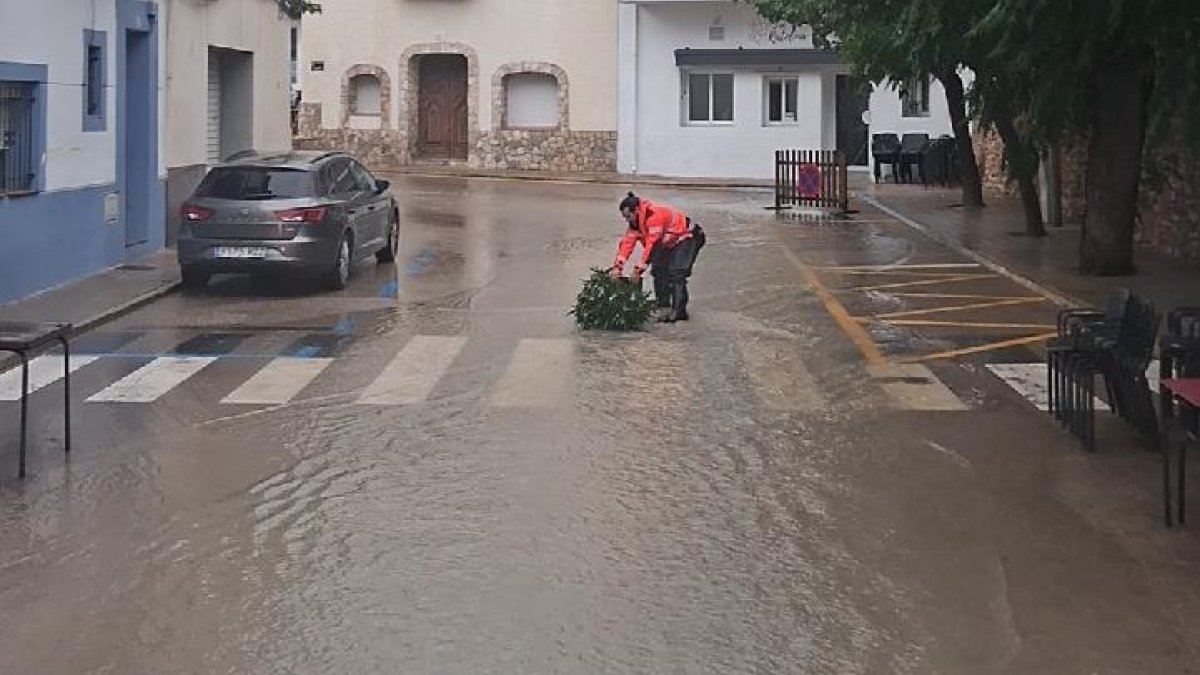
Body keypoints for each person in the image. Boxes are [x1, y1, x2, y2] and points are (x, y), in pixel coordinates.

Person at [609, 192, 705, 322]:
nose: (627, 220)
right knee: (658, 270)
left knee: (677, 273)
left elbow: (652, 245)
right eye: (624, 217)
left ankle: (679, 312)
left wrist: (637, 271)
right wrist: (617, 268)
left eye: (628, 216)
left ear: (636, 210)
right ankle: (663, 305)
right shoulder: (635, 224)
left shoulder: (654, 216)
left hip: (688, 236)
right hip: (668, 242)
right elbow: (626, 245)